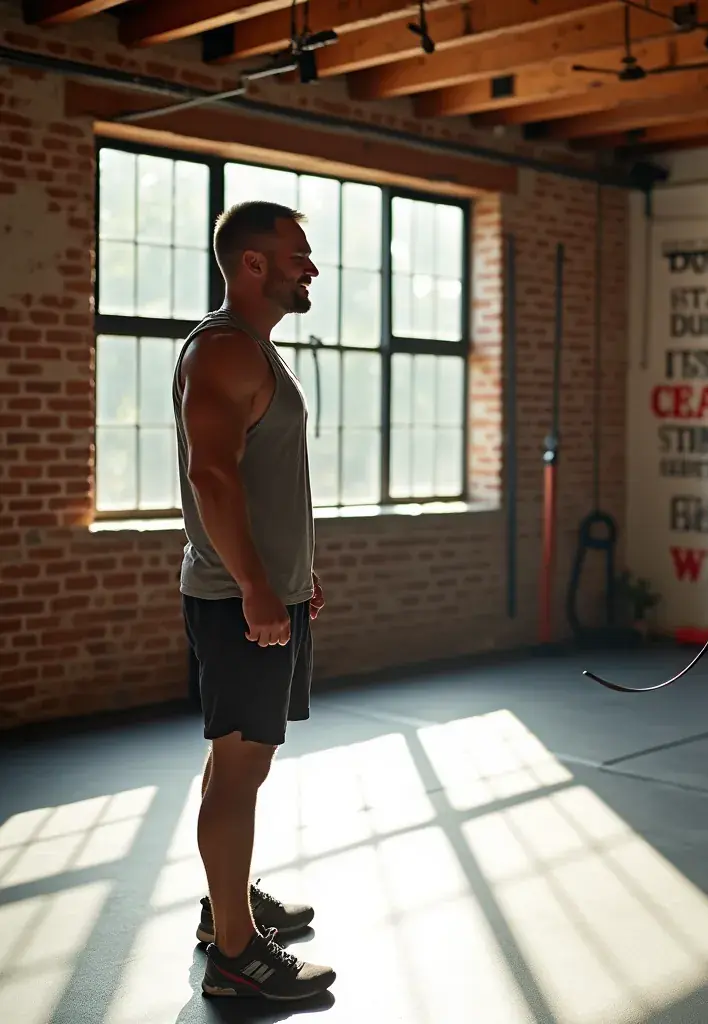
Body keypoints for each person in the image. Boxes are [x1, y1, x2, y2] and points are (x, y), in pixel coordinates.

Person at [172, 200, 336, 1001]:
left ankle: (223, 907)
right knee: (239, 769)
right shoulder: (226, 352)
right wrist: (256, 586)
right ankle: (237, 957)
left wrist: (291, 575)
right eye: (296, 254)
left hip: (265, 594)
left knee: (241, 760)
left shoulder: (255, 353)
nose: (310, 267)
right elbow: (212, 476)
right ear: (252, 265)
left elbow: (262, 483)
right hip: (239, 602)